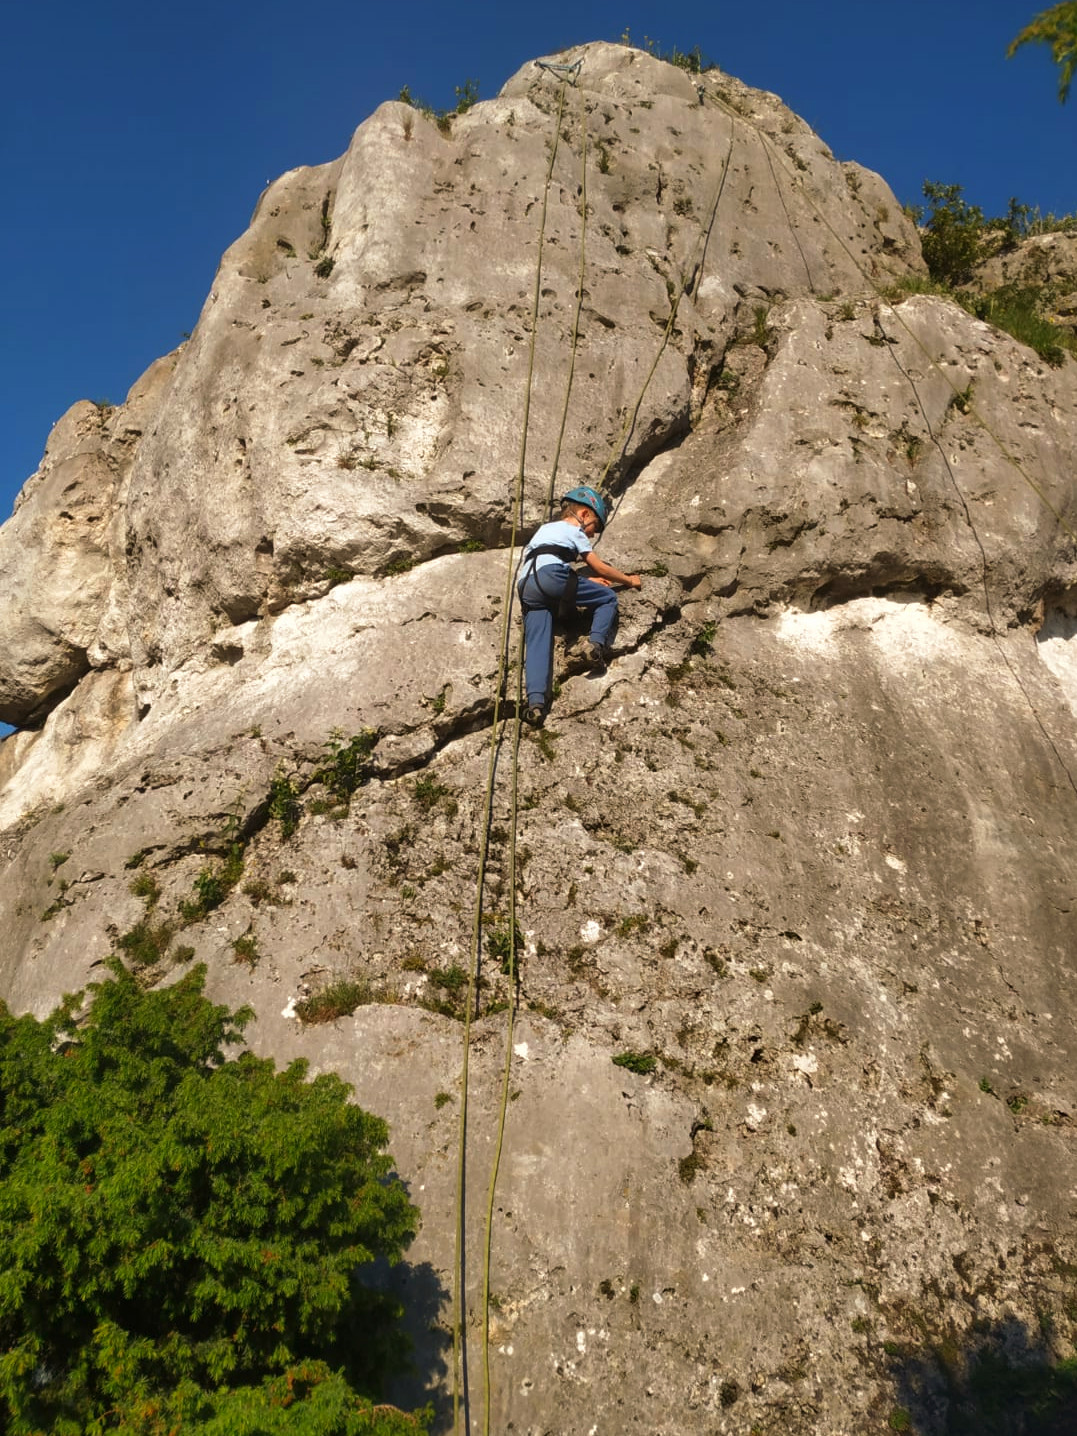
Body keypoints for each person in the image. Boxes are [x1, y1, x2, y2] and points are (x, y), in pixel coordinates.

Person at [517, 486, 641, 726]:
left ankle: (535, 704)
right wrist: (628, 580)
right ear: (584, 515)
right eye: (595, 526)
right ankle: (594, 645)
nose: (593, 535)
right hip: (551, 577)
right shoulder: (575, 530)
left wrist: (581, 582)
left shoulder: (545, 529)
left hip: (527, 586)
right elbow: (600, 567)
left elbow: (547, 560)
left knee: (537, 643)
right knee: (607, 598)